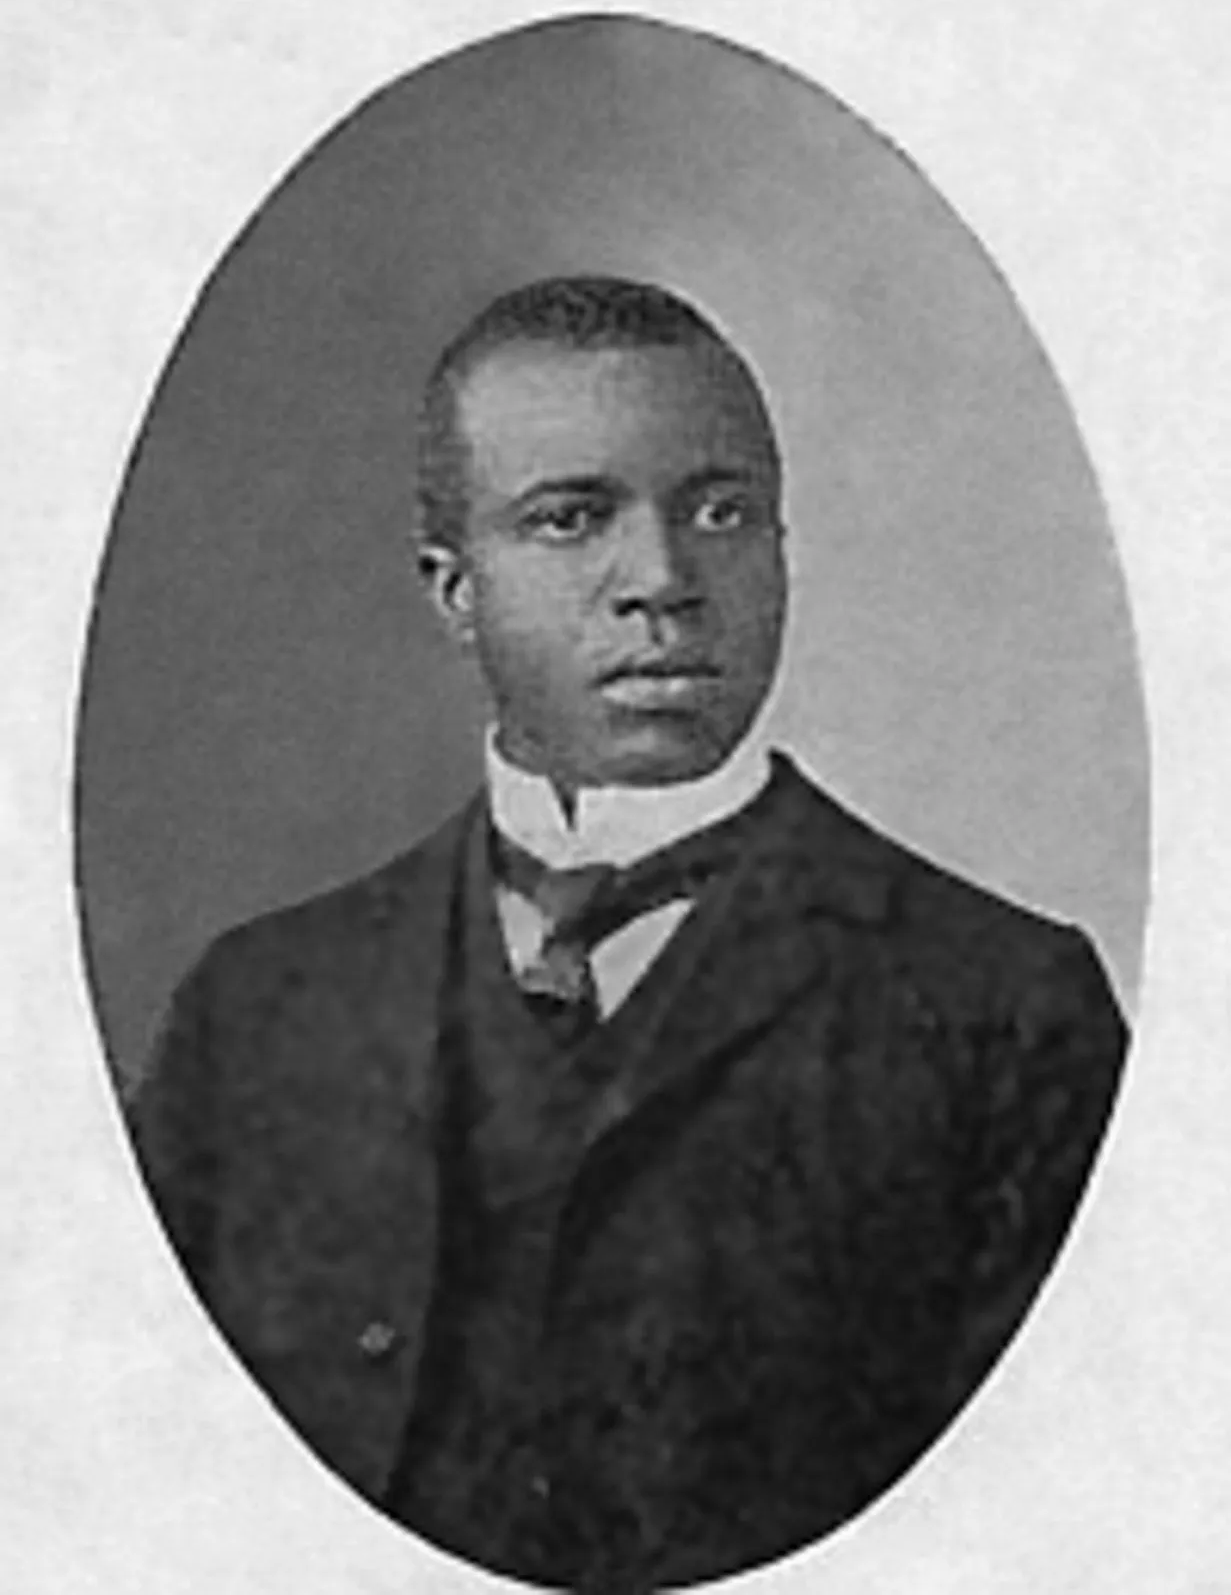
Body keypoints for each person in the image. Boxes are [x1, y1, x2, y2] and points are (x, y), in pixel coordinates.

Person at [130, 276, 1128, 1593]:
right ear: (454, 590)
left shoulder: (1007, 1009)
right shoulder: (255, 1010)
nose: (661, 582)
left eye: (720, 514)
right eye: (570, 519)